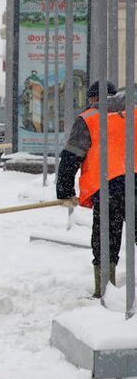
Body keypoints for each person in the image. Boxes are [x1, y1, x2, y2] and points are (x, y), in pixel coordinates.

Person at [56, 81, 134, 298]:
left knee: (106, 236)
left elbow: (71, 156)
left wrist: (64, 191)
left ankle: (104, 288)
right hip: (135, 181)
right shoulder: (134, 112)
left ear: (92, 98)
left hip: (108, 187)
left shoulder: (89, 119)